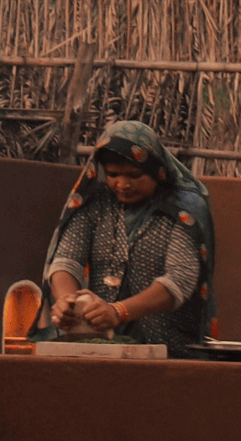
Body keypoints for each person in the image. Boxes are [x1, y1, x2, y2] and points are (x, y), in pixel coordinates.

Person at [41, 121, 216, 349]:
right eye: (113, 174)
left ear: (157, 171)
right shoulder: (94, 203)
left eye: (134, 175)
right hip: (100, 343)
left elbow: (179, 279)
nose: (122, 184)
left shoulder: (185, 208)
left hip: (168, 346)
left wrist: (119, 311)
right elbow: (66, 260)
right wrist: (67, 301)